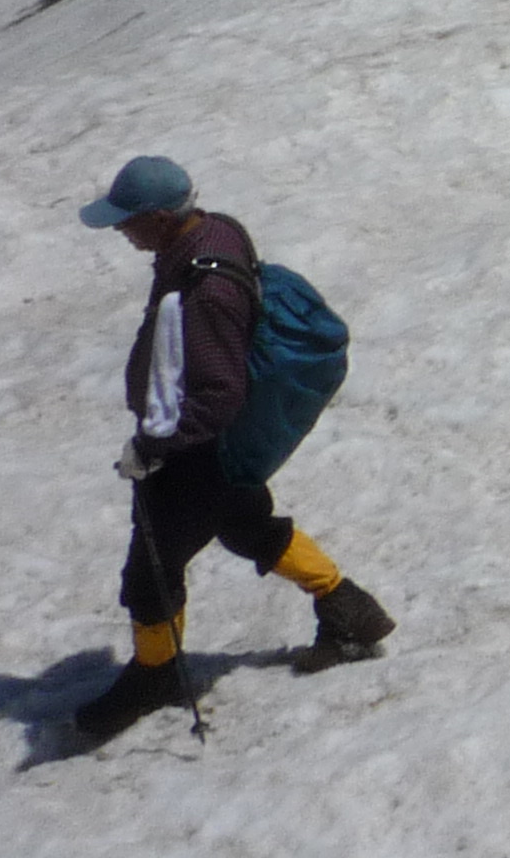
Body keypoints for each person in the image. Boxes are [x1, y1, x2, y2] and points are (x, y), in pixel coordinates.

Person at [70, 157, 393, 745]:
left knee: (151, 570)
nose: (121, 231)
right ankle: (348, 609)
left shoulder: (206, 289)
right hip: (221, 447)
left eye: (128, 221)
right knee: (247, 525)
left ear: (163, 218)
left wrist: (155, 445)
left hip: (200, 450)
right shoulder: (216, 229)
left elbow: (219, 392)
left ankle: (156, 673)